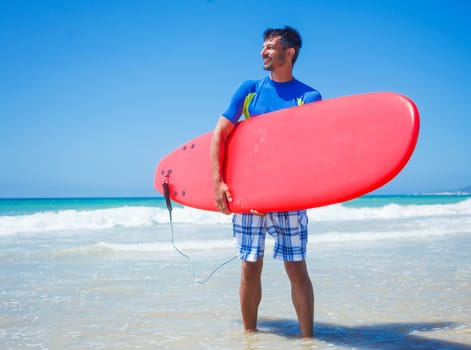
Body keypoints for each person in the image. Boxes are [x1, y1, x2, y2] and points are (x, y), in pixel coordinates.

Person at [210, 26, 322, 338]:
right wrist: (218, 182)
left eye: (271, 47)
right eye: (263, 46)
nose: (263, 51)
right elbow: (220, 133)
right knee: (249, 266)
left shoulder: (309, 97)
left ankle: (308, 340)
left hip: (289, 196)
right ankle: (250, 337)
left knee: (296, 268)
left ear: (290, 53)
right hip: (250, 195)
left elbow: (311, 151)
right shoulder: (249, 90)